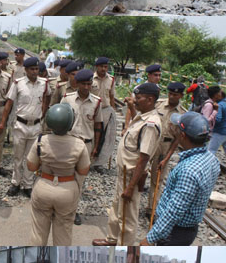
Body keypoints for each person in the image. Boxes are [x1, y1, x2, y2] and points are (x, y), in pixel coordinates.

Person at [94, 83, 162, 245]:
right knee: (117, 207)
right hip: (124, 172)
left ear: (150, 99)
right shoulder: (142, 116)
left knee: (127, 217)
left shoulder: (150, 124)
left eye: (138, 98)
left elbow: (143, 158)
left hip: (131, 175)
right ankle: (111, 239)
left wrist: (131, 187)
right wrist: (132, 108)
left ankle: (125, 247)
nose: (135, 100)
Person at [142, 112, 220, 245]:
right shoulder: (212, 159)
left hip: (174, 233)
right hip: (188, 229)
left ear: (182, 136)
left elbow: (173, 212)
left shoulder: (188, 170)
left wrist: (150, 239)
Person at [27, 103, 90, 244]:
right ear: (70, 123)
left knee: (38, 232)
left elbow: (31, 166)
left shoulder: (40, 141)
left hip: (44, 186)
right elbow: (83, 170)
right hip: (67, 189)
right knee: (64, 232)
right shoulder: (79, 144)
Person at [0, 56, 50, 197]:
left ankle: (27, 185)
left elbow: (47, 97)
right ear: (25, 70)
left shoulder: (44, 83)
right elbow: (9, 104)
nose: (34, 72)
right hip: (20, 125)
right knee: (18, 156)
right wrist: (3, 123)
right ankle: (15, 183)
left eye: (37, 69)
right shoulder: (18, 83)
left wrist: (43, 112)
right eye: (32, 69)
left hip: (36, 126)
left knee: (31, 157)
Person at [62, 68, 101, 226]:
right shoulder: (67, 99)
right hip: (69, 142)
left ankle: (73, 211)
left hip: (86, 145)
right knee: (64, 178)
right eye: (83, 84)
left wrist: (96, 147)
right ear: (77, 84)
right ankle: (61, 208)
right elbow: (60, 120)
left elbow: (98, 126)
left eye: (89, 84)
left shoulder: (97, 102)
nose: (86, 87)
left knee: (79, 180)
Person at [147, 82, 187, 211]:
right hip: (150, 142)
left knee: (157, 180)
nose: (171, 96)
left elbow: (177, 140)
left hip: (165, 146)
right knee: (139, 172)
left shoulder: (182, 114)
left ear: (181, 95)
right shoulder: (158, 104)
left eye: (175, 94)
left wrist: (166, 158)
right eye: (170, 93)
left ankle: (151, 209)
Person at [91, 57, 117, 172]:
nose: (103, 69)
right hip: (93, 110)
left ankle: (98, 163)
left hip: (106, 110)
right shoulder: (91, 78)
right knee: (90, 135)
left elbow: (111, 97)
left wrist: (113, 112)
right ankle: (87, 160)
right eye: (101, 66)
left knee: (103, 137)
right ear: (97, 67)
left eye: (105, 67)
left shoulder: (111, 80)